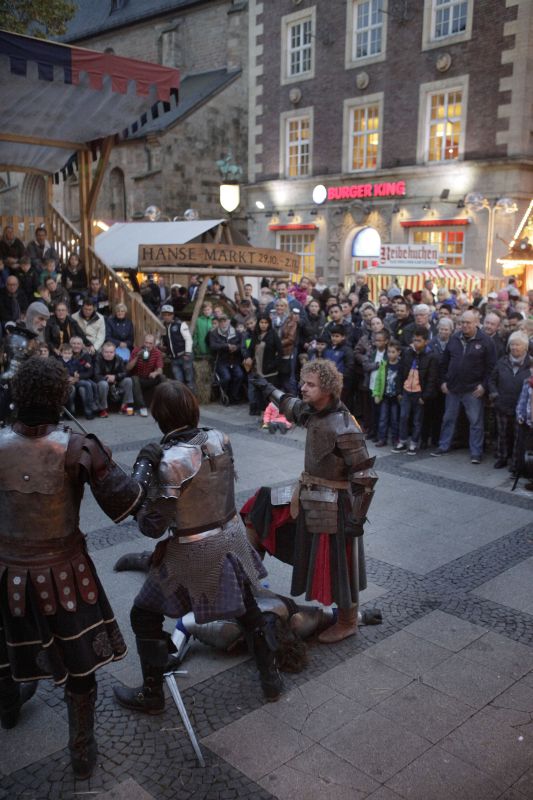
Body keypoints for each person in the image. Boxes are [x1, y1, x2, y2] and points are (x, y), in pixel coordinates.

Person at [0, 356, 153, 778]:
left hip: (6, 570)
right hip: (63, 571)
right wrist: (142, 464)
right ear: (60, 396)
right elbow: (127, 500)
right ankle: (81, 750)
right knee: (79, 663)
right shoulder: (78, 447)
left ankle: (8, 709)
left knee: (6, 646)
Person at [112, 381, 283, 709]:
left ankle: (152, 694)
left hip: (191, 551)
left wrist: (141, 483)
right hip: (231, 538)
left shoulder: (170, 462)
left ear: (159, 416)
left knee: (143, 614)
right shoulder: (219, 438)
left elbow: (152, 527)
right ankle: (271, 678)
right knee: (249, 612)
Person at [251, 360, 377, 643]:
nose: (303, 388)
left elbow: (365, 475)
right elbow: (289, 404)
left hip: (336, 505)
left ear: (328, 389)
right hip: (309, 492)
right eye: (303, 382)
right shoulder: (312, 410)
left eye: (310, 384)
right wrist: (264, 385)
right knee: (259, 506)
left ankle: (347, 622)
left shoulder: (345, 426)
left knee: (340, 564)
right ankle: (248, 580)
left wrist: (357, 518)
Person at [432, 310, 497, 464]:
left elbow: (492, 368)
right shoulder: (454, 338)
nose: (465, 325)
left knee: (475, 422)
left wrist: (484, 386)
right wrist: (443, 382)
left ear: (476, 323)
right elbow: (444, 363)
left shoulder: (486, 341)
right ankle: (443, 446)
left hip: (473, 390)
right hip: (453, 388)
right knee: (448, 419)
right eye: (462, 322)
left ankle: (476, 452)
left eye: (468, 322)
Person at [391, 327, 440, 456]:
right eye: (414, 340)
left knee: (417, 420)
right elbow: (401, 373)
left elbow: (432, 379)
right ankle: (402, 441)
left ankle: (414, 443)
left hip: (419, 393)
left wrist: (425, 396)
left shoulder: (431, 356)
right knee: (403, 417)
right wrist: (399, 391)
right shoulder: (408, 353)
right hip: (407, 391)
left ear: (426, 341)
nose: (415, 343)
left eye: (419, 340)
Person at [488, 331, 531, 470]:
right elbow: (492, 380)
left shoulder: (531, 364)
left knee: (519, 436)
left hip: (521, 408)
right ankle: (502, 457)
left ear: (525, 347)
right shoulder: (502, 361)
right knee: (502, 434)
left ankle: (516, 462)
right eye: (512, 344)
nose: (514, 347)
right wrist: (495, 394)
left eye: (518, 345)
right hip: (502, 404)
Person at [244, 314, 283, 415]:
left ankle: (270, 413)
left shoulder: (273, 335)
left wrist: (273, 365)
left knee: (269, 393)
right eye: (261, 322)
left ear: (269, 324)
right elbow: (250, 349)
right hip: (256, 368)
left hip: (269, 371)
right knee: (257, 392)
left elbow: (280, 352)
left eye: (266, 323)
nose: (263, 325)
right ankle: (258, 410)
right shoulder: (255, 334)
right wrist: (248, 357)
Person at [208, 313, 244, 404]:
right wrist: (227, 346)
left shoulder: (236, 332)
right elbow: (212, 346)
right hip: (221, 360)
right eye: (221, 321)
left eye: (225, 320)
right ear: (218, 322)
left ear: (228, 321)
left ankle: (233, 396)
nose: (223, 323)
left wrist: (236, 348)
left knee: (239, 375)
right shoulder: (213, 333)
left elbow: (242, 345)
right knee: (226, 377)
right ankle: (224, 395)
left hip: (234, 360)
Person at [127, 333, 164, 416]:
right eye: (146, 342)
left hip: (150, 377)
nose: (148, 345)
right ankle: (142, 407)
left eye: (150, 343)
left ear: (154, 344)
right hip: (138, 379)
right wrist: (137, 357)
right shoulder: (136, 350)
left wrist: (155, 372)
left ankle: (164, 405)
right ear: (143, 342)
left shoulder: (157, 352)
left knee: (162, 377)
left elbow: (160, 369)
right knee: (134, 378)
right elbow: (128, 368)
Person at [160, 304, 195, 391]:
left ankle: (192, 398)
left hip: (184, 356)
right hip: (174, 358)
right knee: (178, 382)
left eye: (169, 314)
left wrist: (187, 353)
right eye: (164, 314)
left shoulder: (181, 324)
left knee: (189, 381)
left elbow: (188, 339)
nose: (166, 316)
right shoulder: (162, 326)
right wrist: (164, 349)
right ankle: (182, 399)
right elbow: (165, 342)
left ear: (172, 315)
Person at [93, 341, 134, 416]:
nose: (109, 354)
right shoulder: (98, 359)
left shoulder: (119, 359)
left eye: (111, 352)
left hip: (116, 381)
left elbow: (125, 373)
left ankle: (124, 406)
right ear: (102, 352)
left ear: (115, 352)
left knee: (128, 380)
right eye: (106, 352)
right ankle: (103, 409)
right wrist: (107, 378)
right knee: (103, 384)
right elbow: (96, 375)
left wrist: (115, 377)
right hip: (102, 382)